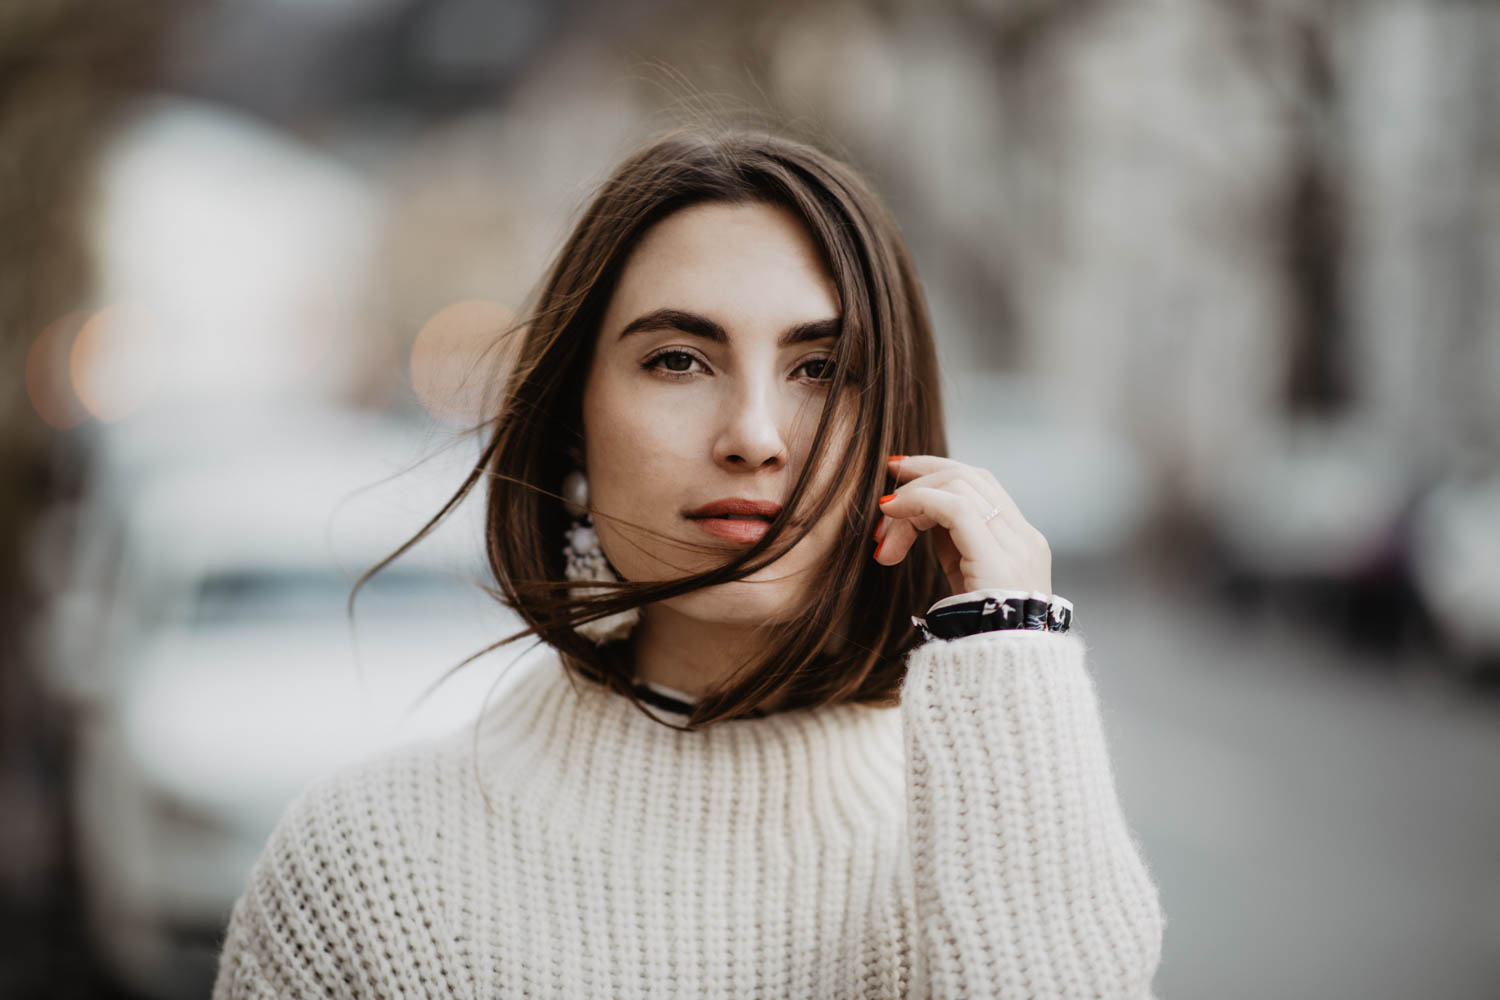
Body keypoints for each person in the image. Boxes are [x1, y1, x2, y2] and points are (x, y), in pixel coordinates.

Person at [211, 122, 1164, 999]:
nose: (754, 436)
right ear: (573, 424)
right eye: (678, 360)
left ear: (897, 437)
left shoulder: (1005, 840)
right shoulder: (367, 867)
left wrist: (1009, 648)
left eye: (821, 370)